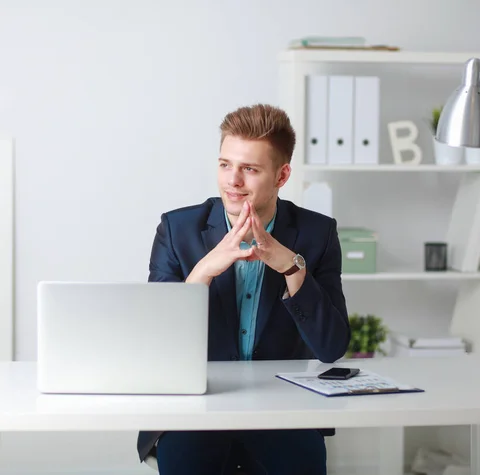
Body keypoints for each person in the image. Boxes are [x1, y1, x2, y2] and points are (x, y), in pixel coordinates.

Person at [136, 103, 350, 474]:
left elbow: (331, 347)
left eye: (249, 169)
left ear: (282, 175)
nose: (232, 181)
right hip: (196, 410)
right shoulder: (177, 229)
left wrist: (290, 266)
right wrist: (204, 270)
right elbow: (156, 346)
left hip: (283, 411)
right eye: (225, 165)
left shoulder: (317, 234)